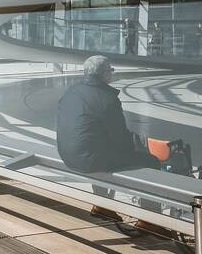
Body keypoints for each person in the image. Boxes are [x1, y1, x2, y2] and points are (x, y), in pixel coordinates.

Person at [57, 55, 160, 221]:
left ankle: (102, 205)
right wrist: (139, 148)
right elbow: (121, 138)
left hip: (67, 155)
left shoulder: (71, 91)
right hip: (88, 160)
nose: (112, 73)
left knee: (95, 149)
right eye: (111, 70)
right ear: (104, 73)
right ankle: (151, 221)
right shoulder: (107, 99)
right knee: (151, 162)